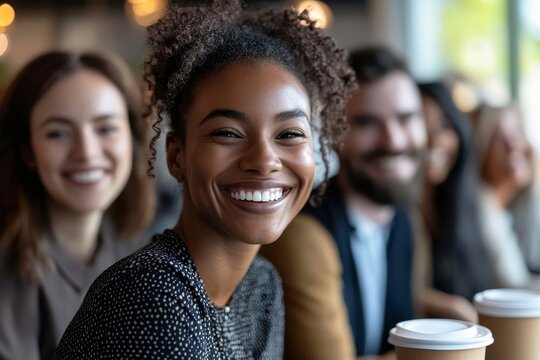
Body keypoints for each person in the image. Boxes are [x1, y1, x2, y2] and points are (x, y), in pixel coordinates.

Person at [53, 1, 356, 359]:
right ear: (176, 155)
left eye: (289, 134)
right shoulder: (152, 296)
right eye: (228, 132)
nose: (263, 161)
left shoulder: (261, 285)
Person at [261, 46, 425, 358]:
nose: (394, 141)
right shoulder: (302, 235)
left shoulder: (405, 220)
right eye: (367, 123)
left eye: (407, 119)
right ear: (334, 133)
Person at [0, 51, 155, 360]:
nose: (86, 152)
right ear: (27, 152)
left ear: (132, 139)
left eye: (106, 128)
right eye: (58, 133)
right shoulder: (7, 275)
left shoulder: (138, 254)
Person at [415, 82, 493, 322]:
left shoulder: (462, 205)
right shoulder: (392, 214)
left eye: (445, 126)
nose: (436, 139)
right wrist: (450, 306)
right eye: (421, 125)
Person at [475, 105, 540, 289]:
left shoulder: (518, 203)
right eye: (498, 139)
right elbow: (514, 286)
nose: (513, 145)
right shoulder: (482, 207)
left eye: (517, 133)